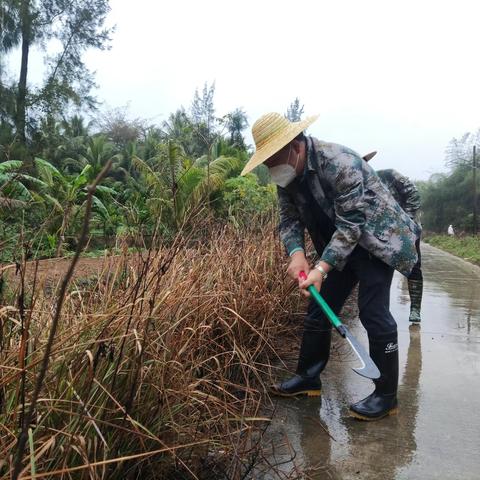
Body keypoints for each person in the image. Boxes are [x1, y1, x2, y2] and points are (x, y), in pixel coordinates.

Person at [241, 113, 421, 421]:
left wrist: (321, 268)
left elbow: (352, 225)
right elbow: (288, 220)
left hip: (376, 240)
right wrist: (296, 254)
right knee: (319, 309)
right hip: (340, 247)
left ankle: (386, 396)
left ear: (296, 147)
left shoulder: (339, 162)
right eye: (266, 162)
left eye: (274, 159)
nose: (272, 168)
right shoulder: (287, 177)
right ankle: (308, 378)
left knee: (373, 312)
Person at [362, 152, 423, 324]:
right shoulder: (359, 187)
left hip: (407, 229)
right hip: (382, 234)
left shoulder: (389, 175)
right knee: (381, 268)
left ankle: (415, 309)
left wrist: (407, 222)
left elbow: (413, 195)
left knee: (414, 267)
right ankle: (382, 308)